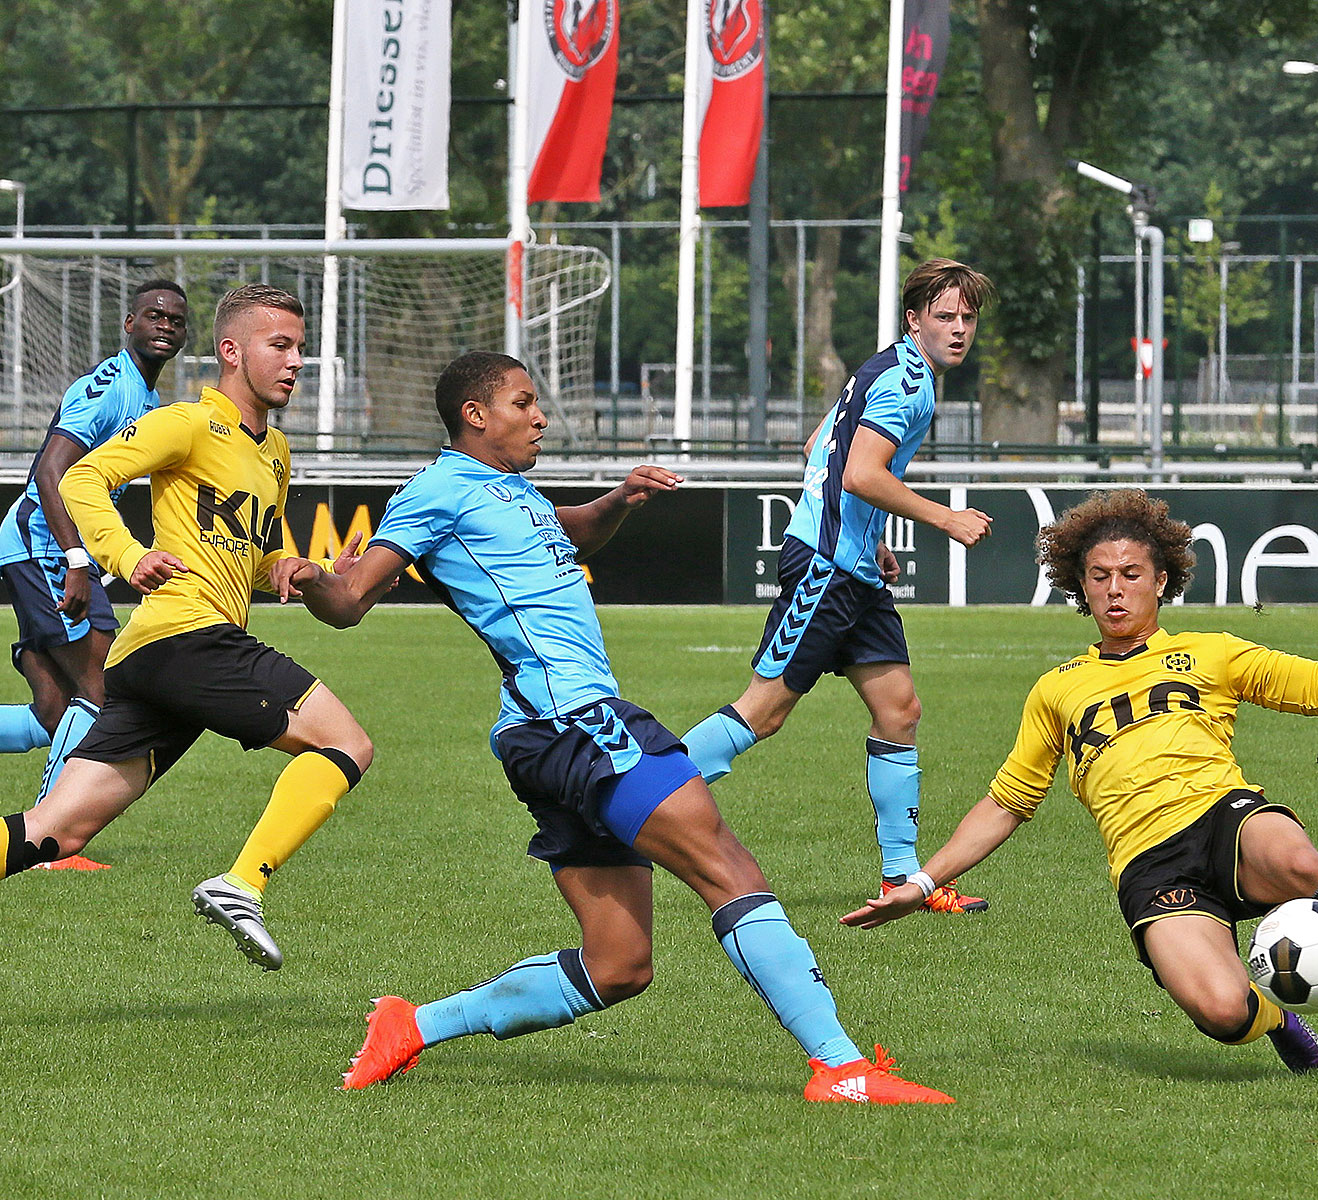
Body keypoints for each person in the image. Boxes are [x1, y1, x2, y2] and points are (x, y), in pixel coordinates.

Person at [287, 350, 951, 1104]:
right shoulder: (436, 491)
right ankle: (841, 1068)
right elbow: (351, 598)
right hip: (576, 722)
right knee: (727, 867)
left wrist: (619, 499)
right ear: (474, 415)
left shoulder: (507, 487)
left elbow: (566, 531)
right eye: (522, 403)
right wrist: (314, 581)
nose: (540, 417)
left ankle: (412, 1025)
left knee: (619, 966)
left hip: (540, 732)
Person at [845, 488, 1318, 1081]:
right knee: (1220, 1011)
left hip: (1222, 818)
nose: (1115, 589)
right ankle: (1277, 1022)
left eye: (1131, 573)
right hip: (1149, 867)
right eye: (1099, 576)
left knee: (1296, 857)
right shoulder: (1056, 689)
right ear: (1079, 585)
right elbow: (1006, 803)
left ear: (1161, 580)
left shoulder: (1211, 653)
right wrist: (922, 882)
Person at [0, 284, 372, 973]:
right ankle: (242, 884)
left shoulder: (276, 451)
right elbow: (80, 478)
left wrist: (305, 570)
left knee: (57, 830)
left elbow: (247, 559)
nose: (296, 361)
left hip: (157, 658)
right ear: (231, 351)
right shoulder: (188, 422)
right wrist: (126, 555)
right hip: (188, 637)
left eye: (300, 347)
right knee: (347, 743)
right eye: (280, 345)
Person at [681, 258, 996, 914]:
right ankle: (629, 803)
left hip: (854, 571)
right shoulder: (906, 384)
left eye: (967, 317)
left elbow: (817, 447)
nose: (959, 328)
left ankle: (899, 879)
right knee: (763, 712)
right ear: (914, 320)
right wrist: (945, 518)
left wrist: (870, 537)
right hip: (825, 570)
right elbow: (858, 473)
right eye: (945, 316)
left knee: (899, 710)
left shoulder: (891, 369)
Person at [0, 280, 190, 869]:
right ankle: (49, 842)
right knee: (99, 687)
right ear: (129, 323)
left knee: (54, 709)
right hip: (44, 545)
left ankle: (46, 833)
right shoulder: (107, 385)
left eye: (176, 320)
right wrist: (77, 561)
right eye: (154, 315)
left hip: (53, 548)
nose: (165, 325)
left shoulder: (147, 398)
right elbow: (52, 473)